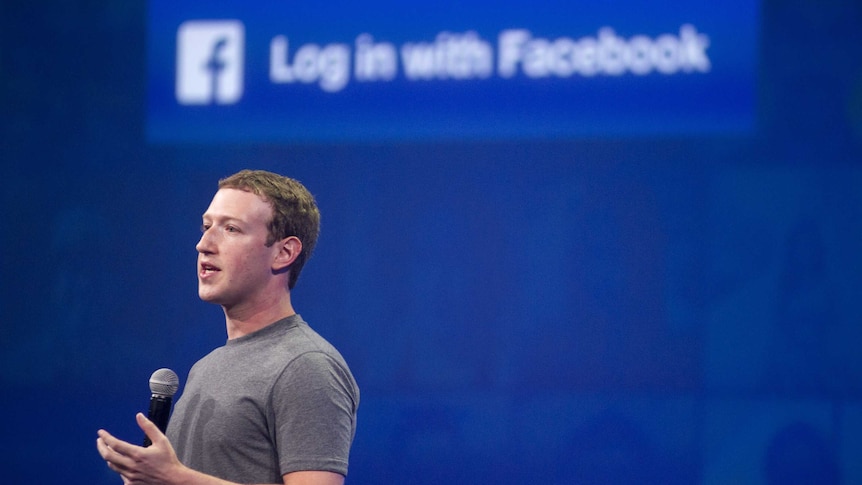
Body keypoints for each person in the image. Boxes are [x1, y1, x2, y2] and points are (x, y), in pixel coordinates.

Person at [97, 169, 359, 485]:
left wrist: (176, 478)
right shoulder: (205, 368)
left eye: (231, 229)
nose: (203, 244)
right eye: (206, 227)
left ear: (283, 252)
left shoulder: (306, 366)